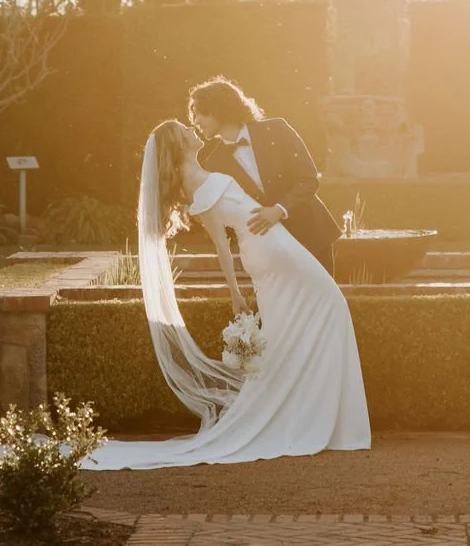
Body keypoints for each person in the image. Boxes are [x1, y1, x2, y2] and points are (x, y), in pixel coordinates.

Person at [79, 117, 370, 470]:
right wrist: (234, 293)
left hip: (270, 247)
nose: (192, 129)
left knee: (290, 331)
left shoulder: (200, 174)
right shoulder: (195, 185)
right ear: (178, 144)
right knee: (332, 305)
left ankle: (311, 417)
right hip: (271, 249)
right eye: (185, 130)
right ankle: (322, 421)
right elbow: (221, 246)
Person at [189, 77, 341, 275]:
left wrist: (279, 210)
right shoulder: (213, 163)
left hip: (311, 237)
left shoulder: (277, 130)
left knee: (322, 295)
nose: (196, 121)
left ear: (220, 108)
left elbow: (308, 179)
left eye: (201, 113)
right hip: (270, 252)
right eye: (193, 114)